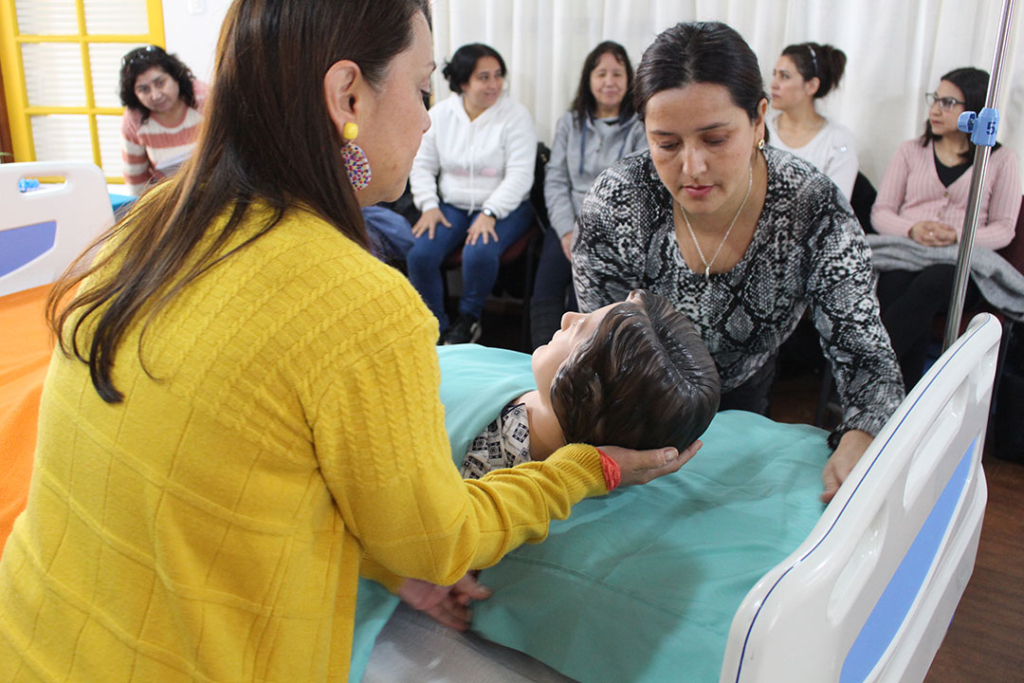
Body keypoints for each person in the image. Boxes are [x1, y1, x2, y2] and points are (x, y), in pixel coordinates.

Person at [0, 3, 689, 681]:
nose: (428, 117)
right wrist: (588, 469)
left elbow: (257, 462)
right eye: (422, 90)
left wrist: (392, 568)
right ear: (346, 94)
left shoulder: (152, 221)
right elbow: (442, 537)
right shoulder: (357, 304)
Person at [573, 21, 905, 504]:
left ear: (758, 120)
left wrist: (863, 434)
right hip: (638, 403)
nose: (692, 167)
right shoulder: (621, 201)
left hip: (744, 387)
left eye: (715, 139)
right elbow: (601, 348)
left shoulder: (812, 209)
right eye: (666, 143)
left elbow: (865, 352)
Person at [397, 289, 720, 629]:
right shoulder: (535, 387)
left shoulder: (491, 459)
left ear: (591, 395)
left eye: (579, 333)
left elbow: (449, 535)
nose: (568, 318)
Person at [872, 67, 1021, 389]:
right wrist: (912, 229)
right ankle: (899, 403)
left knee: (934, 280)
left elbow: (1004, 229)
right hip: (907, 254)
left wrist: (958, 236)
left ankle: (870, 370)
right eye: (935, 99)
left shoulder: (1000, 159)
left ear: (976, 111)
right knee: (896, 281)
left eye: (950, 102)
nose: (936, 109)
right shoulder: (910, 150)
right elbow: (881, 212)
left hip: (960, 268)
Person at [407, 43, 537, 344]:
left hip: (507, 206)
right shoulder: (439, 115)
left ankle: (468, 320)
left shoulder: (515, 116)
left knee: (478, 252)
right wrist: (428, 204)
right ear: (463, 82)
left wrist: (490, 213)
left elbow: (520, 176)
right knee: (420, 254)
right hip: (452, 204)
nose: (494, 85)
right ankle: (436, 327)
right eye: (484, 77)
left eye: (498, 76)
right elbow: (421, 163)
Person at [531, 41, 647, 349]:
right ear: (589, 80)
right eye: (601, 74)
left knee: (585, 292)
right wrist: (567, 230)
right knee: (546, 286)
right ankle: (541, 358)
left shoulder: (640, 126)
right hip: (568, 220)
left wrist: (594, 231)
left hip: (613, 226)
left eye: (617, 74)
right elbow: (555, 180)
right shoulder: (569, 123)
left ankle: (583, 361)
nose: (609, 82)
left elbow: (637, 187)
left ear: (629, 80)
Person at [767, 42, 857, 200]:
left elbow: (837, 206)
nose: (774, 84)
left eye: (784, 76)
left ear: (811, 86)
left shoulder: (838, 139)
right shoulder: (759, 129)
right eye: (774, 74)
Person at [119, 45, 208, 196]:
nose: (156, 95)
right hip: (170, 199)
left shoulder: (204, 98)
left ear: (175, 77)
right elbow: (136, 181)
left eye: (160, 83)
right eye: (144, 90)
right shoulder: (134, 119)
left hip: (216, 191)